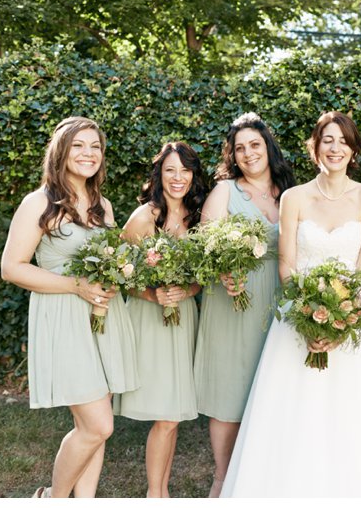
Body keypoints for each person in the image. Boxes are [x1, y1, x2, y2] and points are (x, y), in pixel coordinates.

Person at [220, 111, 361, 497]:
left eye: (343, 142)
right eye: (327, 140)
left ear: (353, 151)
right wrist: (309, 317)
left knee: (356, 421)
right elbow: (286, 264)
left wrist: (340, 321)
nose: (335, 148)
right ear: (314, 146)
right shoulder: (294, 198)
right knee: (295, 420)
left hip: (353, 322)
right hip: (298, 320)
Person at [0, 116, 139, 498]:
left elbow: (110, 258)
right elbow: (11, 268)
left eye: (95, 147)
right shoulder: (39, 203)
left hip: (103, 319)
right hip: (64, 317)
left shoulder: (102, 205)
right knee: (98, 425)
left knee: (93, 426)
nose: (88, 153)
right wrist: (77, 286)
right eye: (79, 145)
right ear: (61, 151)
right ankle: (52, 500)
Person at [192, 113, 295, 497]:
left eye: (255, 145)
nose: (249, 153)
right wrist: (222, 275)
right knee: (230, 391)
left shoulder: (290, 193)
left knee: (270, 385)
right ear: (232, 156)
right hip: (233, 300)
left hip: (277, 299)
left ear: (268, 147)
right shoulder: (225, 192)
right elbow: (204, 248)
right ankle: (223, 479)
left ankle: (263, 477)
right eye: (240, 148)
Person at [115, 141, 208, 497]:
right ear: (159, 174)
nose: (178, 177)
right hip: (151, 319)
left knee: (175, 413)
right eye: (170, 170)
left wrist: (187, 291)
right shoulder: (144, 217)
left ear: (193, 175)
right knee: (167, 415)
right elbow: (119, 272)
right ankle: (155, 495)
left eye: (185, 170)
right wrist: (153, 294)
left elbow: (202, 277)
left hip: (183, 317)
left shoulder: (198, 218)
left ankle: (162, 492)